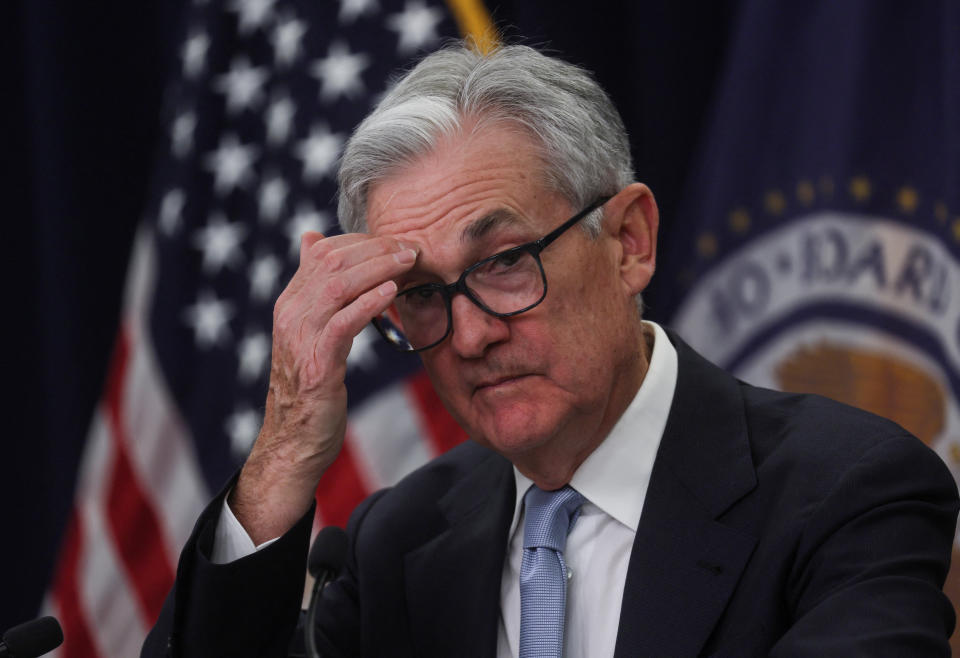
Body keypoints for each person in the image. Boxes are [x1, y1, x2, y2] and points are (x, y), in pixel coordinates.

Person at [143, 42, 959, 657]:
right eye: (424, 294)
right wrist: (285, 449)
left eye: (503, 263)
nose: (469, 335)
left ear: (629, 241)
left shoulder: (845, 492)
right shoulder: (400, 541)